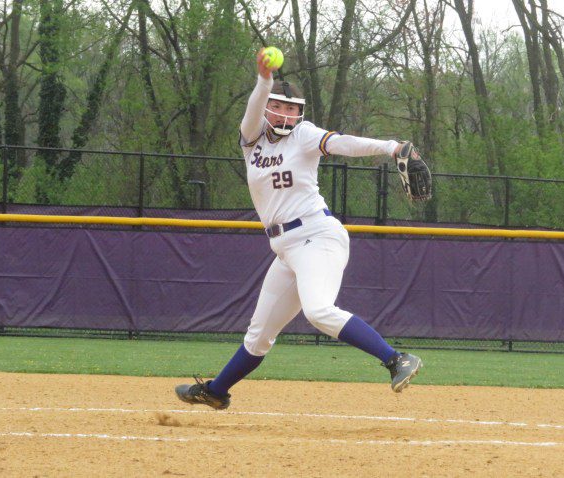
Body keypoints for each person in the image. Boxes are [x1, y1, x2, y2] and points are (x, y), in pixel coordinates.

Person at [175, 49, 423, 410]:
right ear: (267, 108)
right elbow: (252, 111)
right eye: (281, 107)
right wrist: (264, 81)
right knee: (259, 335)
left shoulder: (304, 135)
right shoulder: (252, 141)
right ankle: (216, 391)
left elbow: (341, 143)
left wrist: (391, 147)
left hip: (317, 236)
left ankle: (396, 359)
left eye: (293, 109)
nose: (288, 114)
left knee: (319, 310)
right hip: (285, 248)